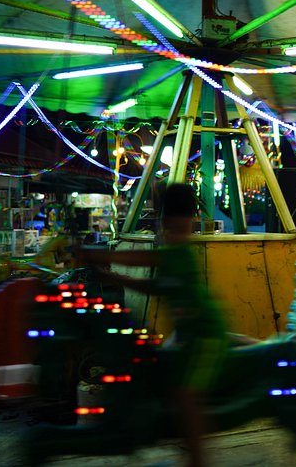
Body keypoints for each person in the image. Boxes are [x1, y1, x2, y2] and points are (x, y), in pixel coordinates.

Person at [79, 184, 226, 467]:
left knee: (186, 397)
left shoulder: (178, 252)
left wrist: (100, 256)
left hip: (205, 335)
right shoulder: (173, 249)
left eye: (173, 219)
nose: (171, 226)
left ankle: (199, 459)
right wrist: (114, 277)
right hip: (184, 335)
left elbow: (145, 260)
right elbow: (154, 286)